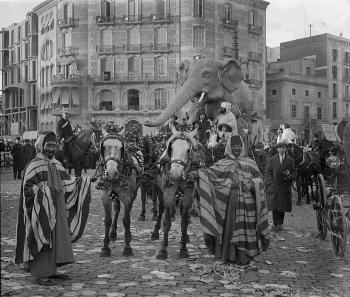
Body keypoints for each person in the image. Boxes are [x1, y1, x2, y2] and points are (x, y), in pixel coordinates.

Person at [15, 131, 91, 285]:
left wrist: (83, 183)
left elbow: (67, 183)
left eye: (53, 146)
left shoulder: (56, 163)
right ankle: (40, 273)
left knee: (54, 239)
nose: (51, 149)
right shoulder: (34, 165)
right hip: (41, 211)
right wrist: (47, 193)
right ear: (41, 146)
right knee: (43, 238)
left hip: (56, 211)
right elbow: (28, 191)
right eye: (48, 145)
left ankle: (51, 270)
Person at [198, 134, 269, 265]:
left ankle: (244, 257)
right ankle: (228, 255)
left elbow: (260, 179)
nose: (237, 148)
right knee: (229, 227)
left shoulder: (250, 163)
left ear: (242, 147)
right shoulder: (223, 163)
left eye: (239, 146)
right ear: (229, 147)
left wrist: (252, 183)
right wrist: (198, 173)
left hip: (248, 204)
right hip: (230, 201)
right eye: (234, 146)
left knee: (246, 228)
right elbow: (210, 174)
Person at [265, 140, 296, 232]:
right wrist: (270, 183)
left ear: (286, 149)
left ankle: (280, 224)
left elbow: (294, 172)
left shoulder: (290, 160)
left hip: (285, 186)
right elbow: (268, 172)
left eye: (283, 148)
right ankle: (275, 223)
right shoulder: (272, 159)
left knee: (282, 205)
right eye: (280, 148)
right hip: (274, 186)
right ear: (277, 149)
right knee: (275, 206)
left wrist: (290, 176)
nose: (282, 150)